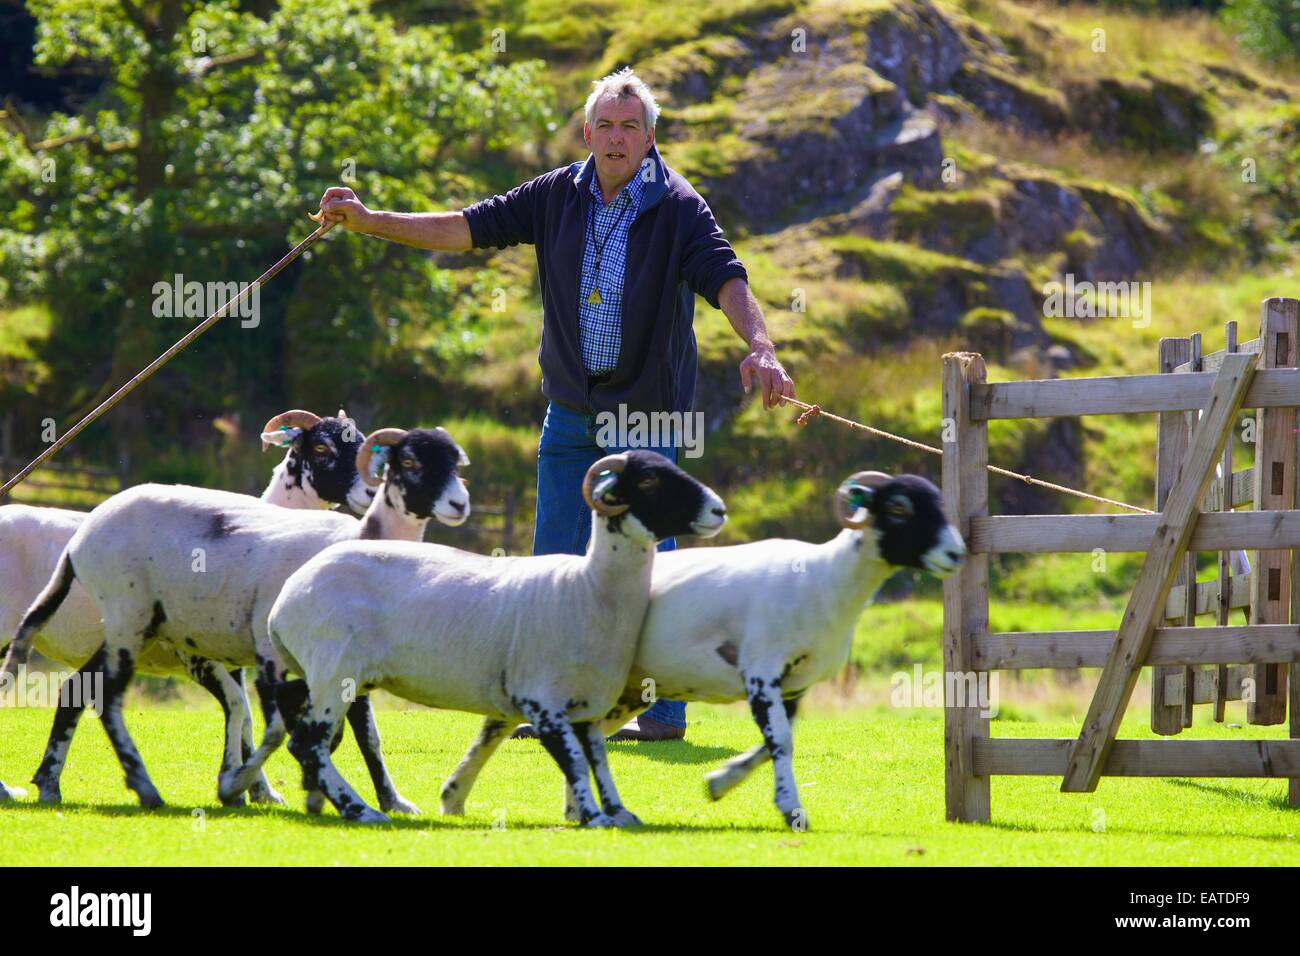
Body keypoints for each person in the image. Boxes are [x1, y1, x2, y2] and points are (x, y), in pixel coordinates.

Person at [316, 67, 795, 741]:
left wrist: (763, 347)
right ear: (587, 132)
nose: (617, 137)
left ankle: (660, 715)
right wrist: (369, 222)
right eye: (605, 124)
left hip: (649, 418)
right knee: (552, 562)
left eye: (631, 126)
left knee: (645, 564)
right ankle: (549, 702)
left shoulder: (680, 207)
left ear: (650, 136)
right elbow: (465, 228)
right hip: (570, 409)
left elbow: (726, 277)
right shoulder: (556, 195)